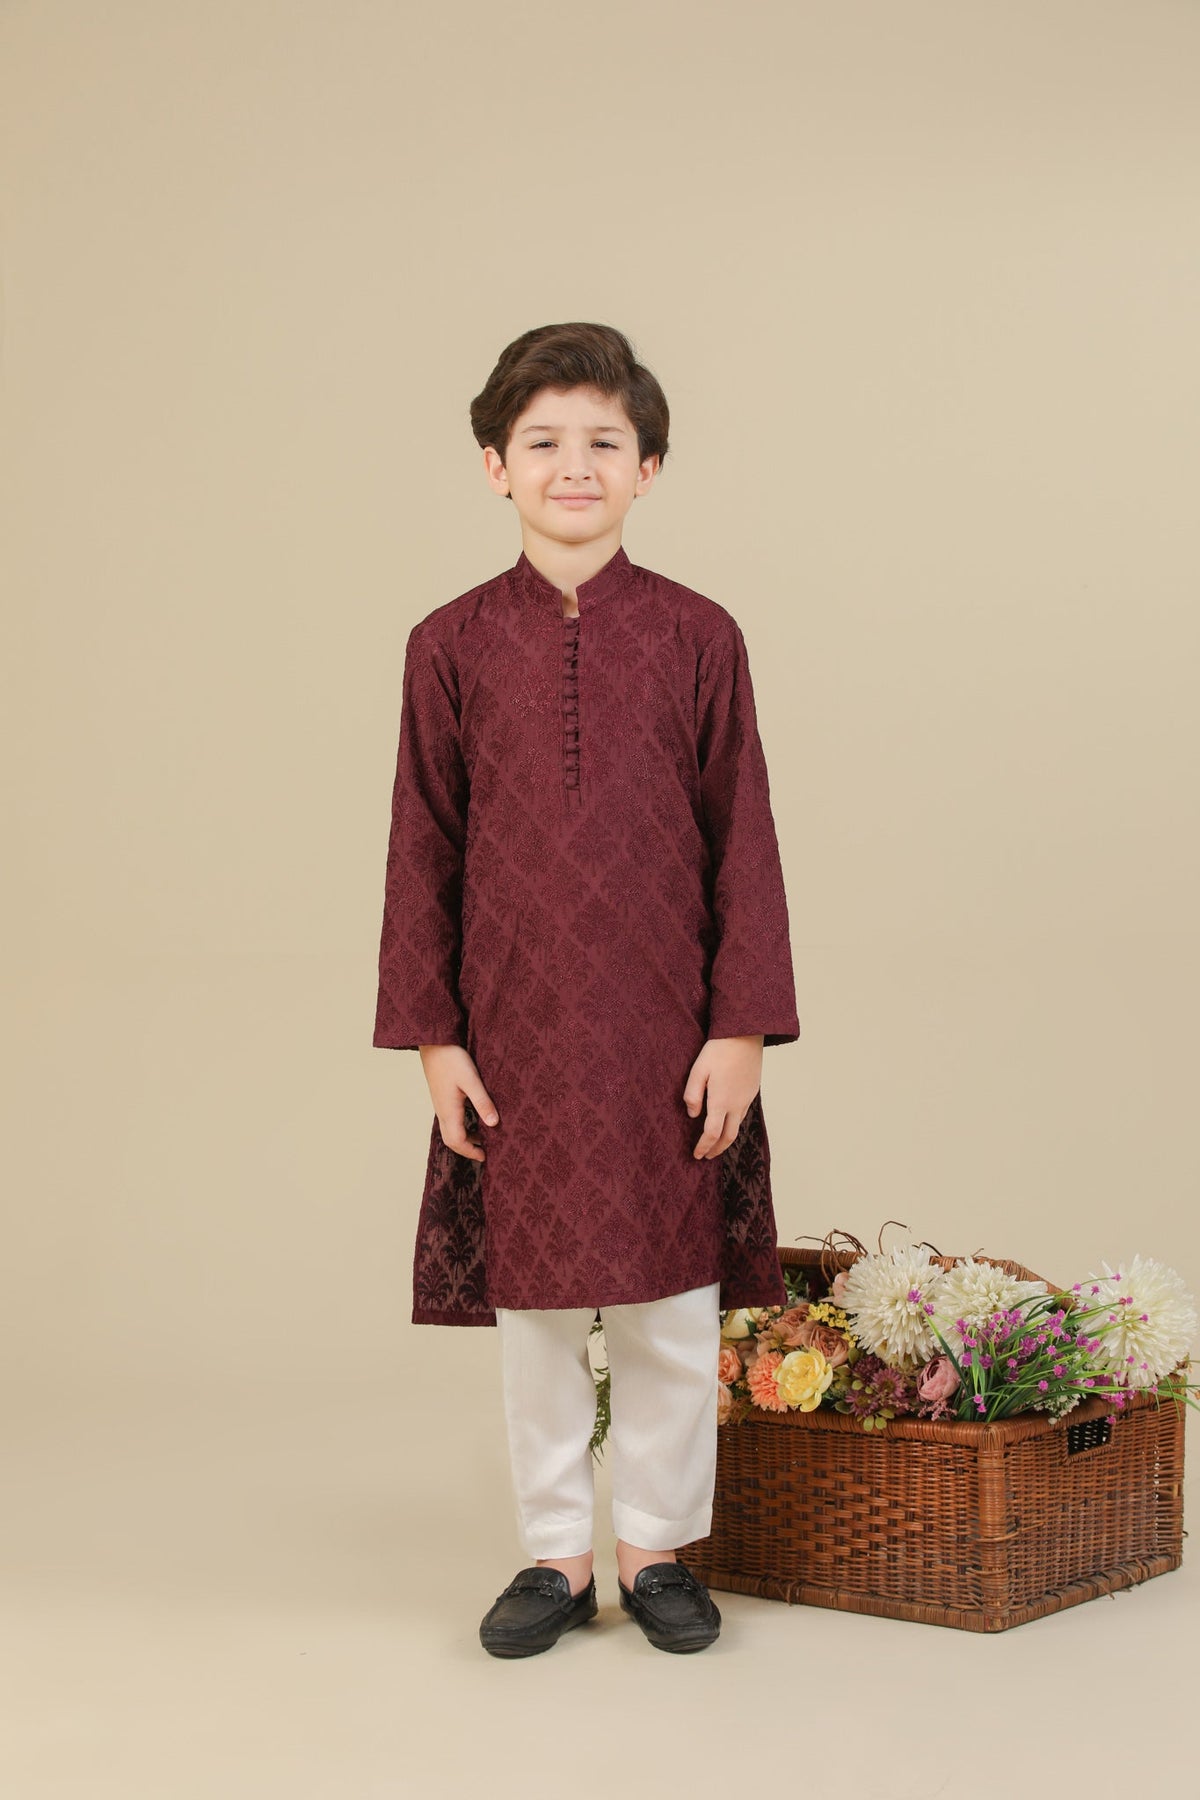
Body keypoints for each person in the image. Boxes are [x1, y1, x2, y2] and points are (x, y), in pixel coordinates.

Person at [372, 322, 799, 1656]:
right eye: (543, 441)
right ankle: (556, 1557)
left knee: (672, 1309)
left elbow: (744, 838)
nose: (574, 466)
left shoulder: (698, 636)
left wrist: (741, 1026)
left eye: (604, 443)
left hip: (669, 1029)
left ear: (648, 467)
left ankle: (657, 1549)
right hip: (516, 1034)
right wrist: (434, 1039)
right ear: (494, 465)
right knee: (540, 1315)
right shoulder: (447, 645)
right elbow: (422, 843)